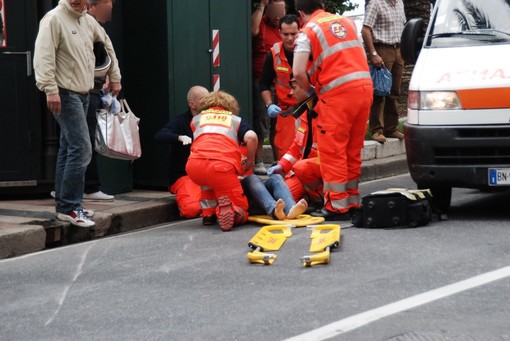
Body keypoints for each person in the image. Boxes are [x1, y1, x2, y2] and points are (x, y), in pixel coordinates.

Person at [34, 0, 121, 227]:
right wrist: (49, 90)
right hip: (64, 92)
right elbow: (43, 56)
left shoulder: (87, 21)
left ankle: (67, 205)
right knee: (82, 148)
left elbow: (107, 45)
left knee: (69, 147)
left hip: (83, 91)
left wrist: (116, 76)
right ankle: (71, 206)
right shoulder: (53, 18)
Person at [293, 0, 373, 220]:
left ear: (300, 13)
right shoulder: (347, 22)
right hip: (364, 89)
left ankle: (337, 206)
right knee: (352, 149)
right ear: (322, 4)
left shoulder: (308, 31)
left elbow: (298, 71)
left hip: (337, 95)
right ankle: (352, 200)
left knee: (333, 151)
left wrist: (311, 92)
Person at [185, 91, 258, 231]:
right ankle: (234, 212)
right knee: (240, 206)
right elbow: (252, 138)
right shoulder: (235, 120)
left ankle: (208, 215)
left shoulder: (196, 120)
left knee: (207, 184)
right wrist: (250, 161)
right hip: (220, 166)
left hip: (194, 166)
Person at [267, 74, 323, 209]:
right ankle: (309, 196)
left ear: (308, 87)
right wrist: (282, 166)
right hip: (304, 172)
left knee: (301, 168)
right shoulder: (302, 113)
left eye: (294, 88)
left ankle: (319, 199)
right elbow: (297, 147)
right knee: (281, 198)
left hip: (323, 168)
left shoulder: (325, 111)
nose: (290, 93)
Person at [80, 0, 117, 201]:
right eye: (105, 8)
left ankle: (80, 187)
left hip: (90, 88)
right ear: (92, 7)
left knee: (81, 139)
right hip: (84, 89)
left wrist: (112, 77)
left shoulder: (93, 27)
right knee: (82, 140)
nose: (108, 13)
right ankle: (88, 187)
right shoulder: (82, 24)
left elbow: (107, 55)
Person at [154, 85, 209, 219]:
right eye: (204, 100)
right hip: (185, 176)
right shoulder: (180, 121)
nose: (209, 103)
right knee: (191, 209)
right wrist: (178, 137)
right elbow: (159, 136)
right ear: (192, 104)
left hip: (208, 173)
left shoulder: (211, 120)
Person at [361, 0, 406, 143]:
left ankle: (391, 129)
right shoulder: (376, 3)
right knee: (380, 91)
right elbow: (365, 29)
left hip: (398, 50)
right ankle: (376, 130)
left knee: (394, 92)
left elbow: (403, 26)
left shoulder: (399, 2)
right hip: (382, 49)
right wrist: (373, 54)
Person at [251, 0, 286, 174]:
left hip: (281, 82)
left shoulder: (286, 28)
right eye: (275, 12)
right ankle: (258, 162)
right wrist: (261, 6)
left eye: (282, 11)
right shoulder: (261, 22)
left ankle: (277, 160)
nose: (278, 16)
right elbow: (252, 30)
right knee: (261, 122)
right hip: (261, 80)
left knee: (278, 124)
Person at [259, 14, 300, 161]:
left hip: (307, 108)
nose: (290, 38)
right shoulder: (274, 54)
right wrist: (269, 104)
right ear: (279, 33)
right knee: (285, 153)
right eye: (286, 34)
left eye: (293, 34)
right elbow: (264, 83)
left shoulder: (310, 51)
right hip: (285, 111)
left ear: (300, 32)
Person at [241, 173, 308, 220]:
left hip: (259, 197)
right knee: (252, 178)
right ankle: (274, 210)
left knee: (276, 178)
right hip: (245, 199)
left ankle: (290, 209)